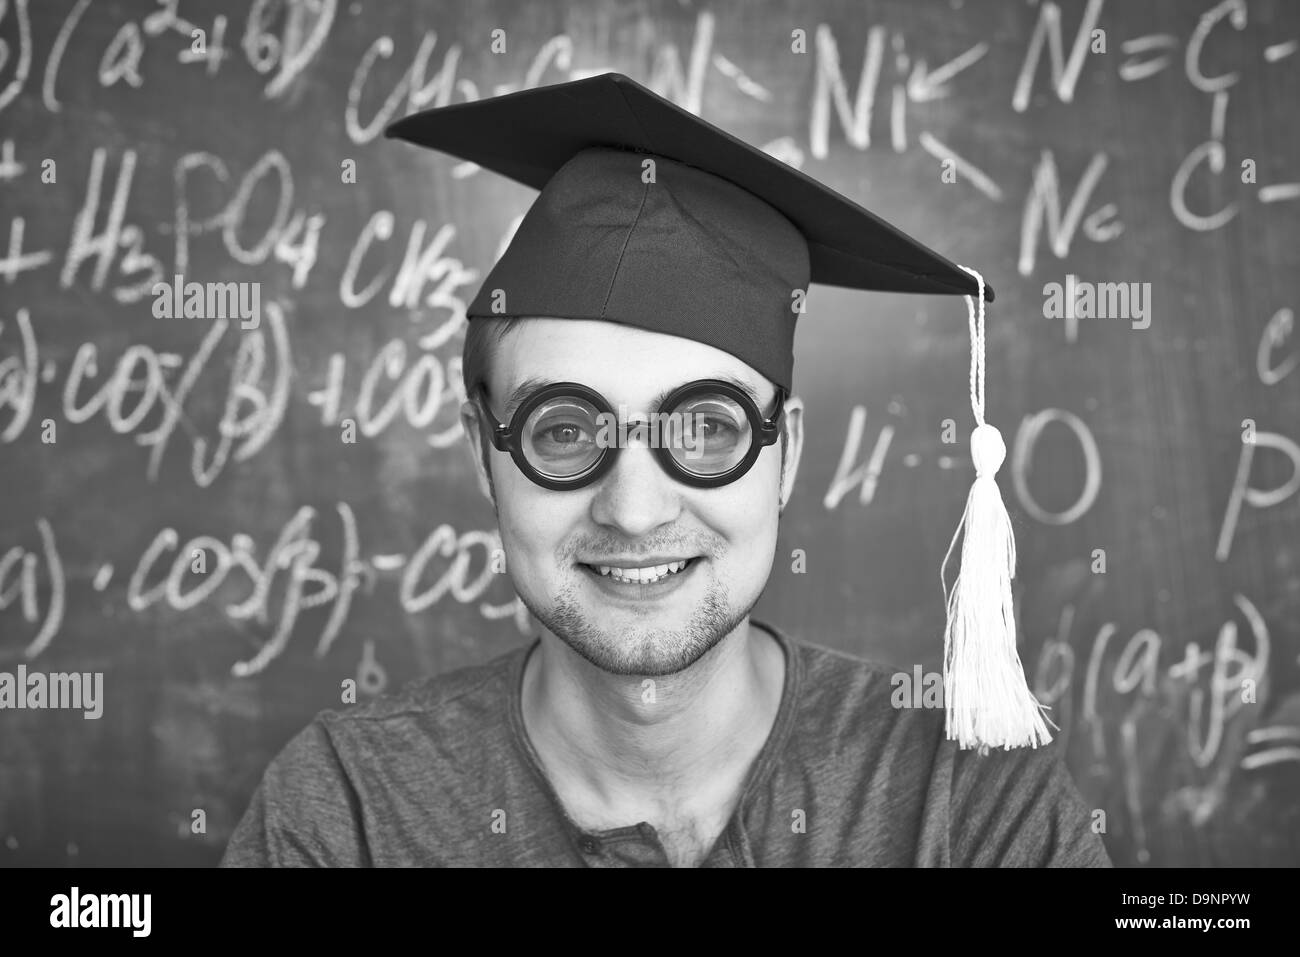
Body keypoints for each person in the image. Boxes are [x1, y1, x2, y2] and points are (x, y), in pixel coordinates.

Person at [221, 73, 1112, 868]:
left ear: (786, 453)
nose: (636, 510)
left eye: (704, 428)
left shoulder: (970, 805)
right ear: (483, 454)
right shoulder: (350, 812)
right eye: (564, 430)